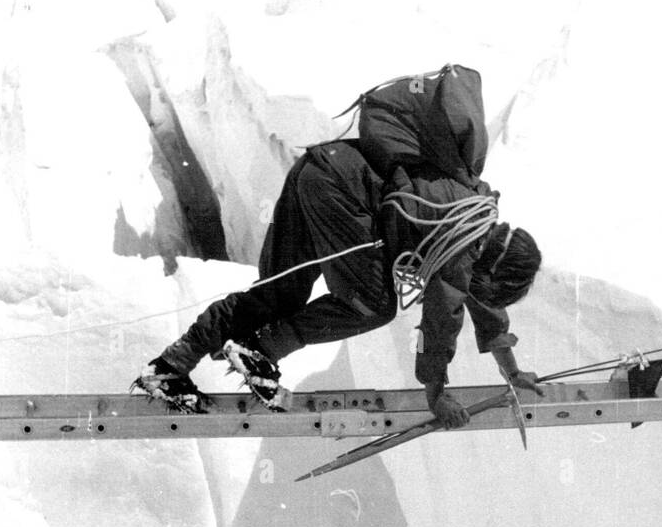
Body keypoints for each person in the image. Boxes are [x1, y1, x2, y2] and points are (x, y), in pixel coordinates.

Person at [132, 137, 544, 427]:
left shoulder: (475, 216)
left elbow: (478, 302)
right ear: (495, 268)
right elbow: (441, 323)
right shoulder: (463, 248)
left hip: (321, 167)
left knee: (280, 293)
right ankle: (260, 349)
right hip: (342, 190)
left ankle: (171, 367)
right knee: (372, 305)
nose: (484, 292)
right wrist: (436, 393)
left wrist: (512, 370)